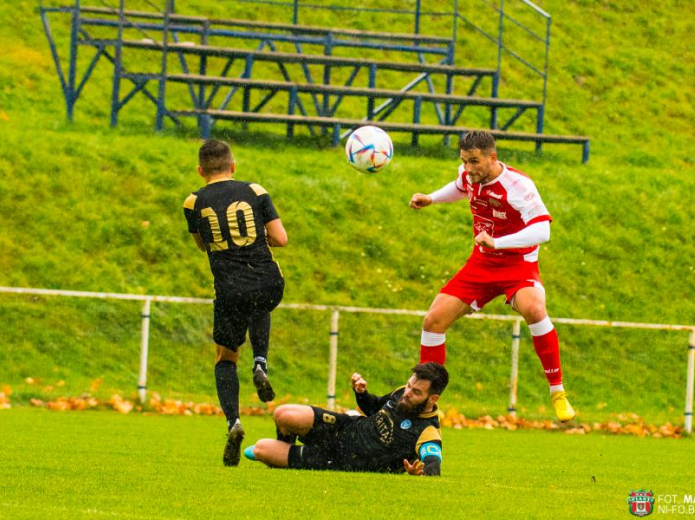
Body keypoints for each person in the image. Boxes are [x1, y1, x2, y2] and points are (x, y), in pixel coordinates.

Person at [408, 130, 575, 422]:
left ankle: (557, 392)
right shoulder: (469, 174)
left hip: (518, 264)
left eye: (474, 162)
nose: (469, 169)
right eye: (464, 161)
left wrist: (498, 242)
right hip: (481, 265)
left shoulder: (518, 185)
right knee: (433, 321)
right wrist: (431, 199)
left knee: (535, 309)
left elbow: (543, 230)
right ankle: (425, 399)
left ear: (492, 157)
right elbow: (460, 186)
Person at [183, 139, 288, 466]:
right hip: (267, 279)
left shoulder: (193, 201)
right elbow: (281, 239)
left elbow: (203, 244)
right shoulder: (255, 191)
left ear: (201, 171)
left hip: (229, 288)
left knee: (225, 357)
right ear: (233, 166)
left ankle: (234, 422)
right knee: (261, 301)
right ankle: (260, 362)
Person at [245, 362, 449, 476]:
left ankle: (284, 456)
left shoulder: (428, 432)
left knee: (261, 448)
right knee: (283, 414)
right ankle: (286, 454)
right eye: (408, 385)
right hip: (347, 428)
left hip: (346, 461)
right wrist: (361, 393)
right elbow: (375, 407)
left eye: (416, 392)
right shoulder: (400, 393)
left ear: (433, 398)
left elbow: (433, 466)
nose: (407, 393)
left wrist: (418, 473)